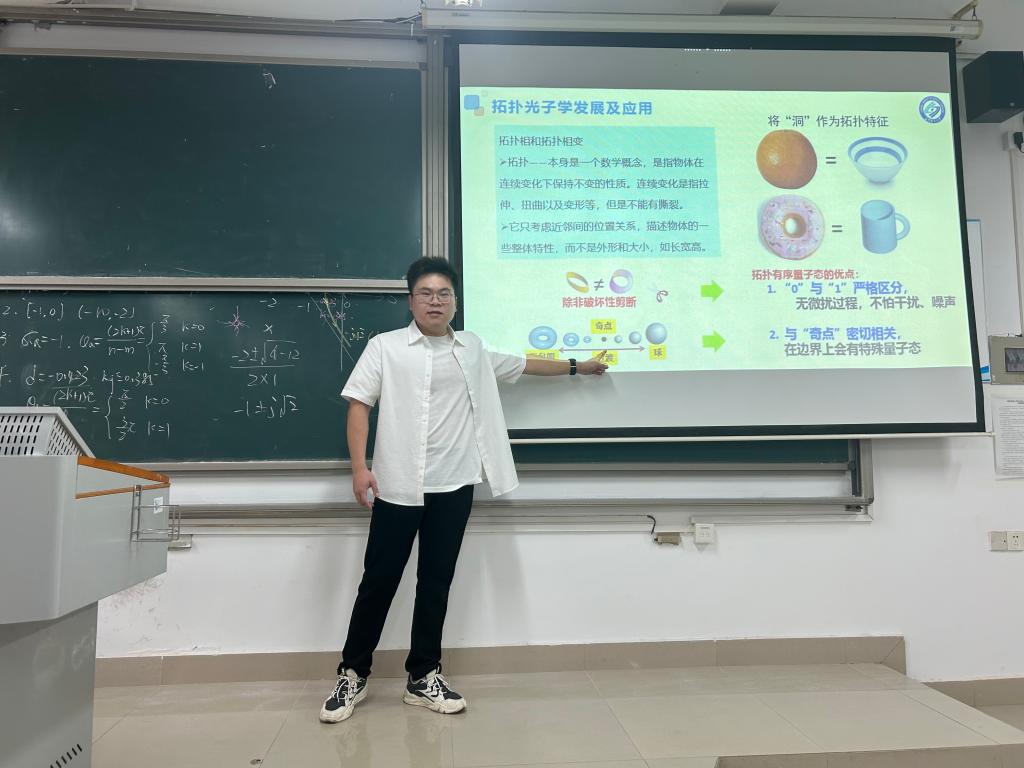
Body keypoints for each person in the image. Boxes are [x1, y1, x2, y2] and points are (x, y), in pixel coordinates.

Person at [320, 256, 608, 723]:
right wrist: (359, 468)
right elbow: (358, 405)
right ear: (411, 300)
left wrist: (578, 365)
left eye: (444, 294)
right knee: (378, 582)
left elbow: (526, 364)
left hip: (454, 486)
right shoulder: (385, 347)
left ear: (454, 301)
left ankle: (422, 676)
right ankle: (352, 674)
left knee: (436, 583)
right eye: (425, 293)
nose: (435, 301)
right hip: (397, 486)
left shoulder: (472, 349)